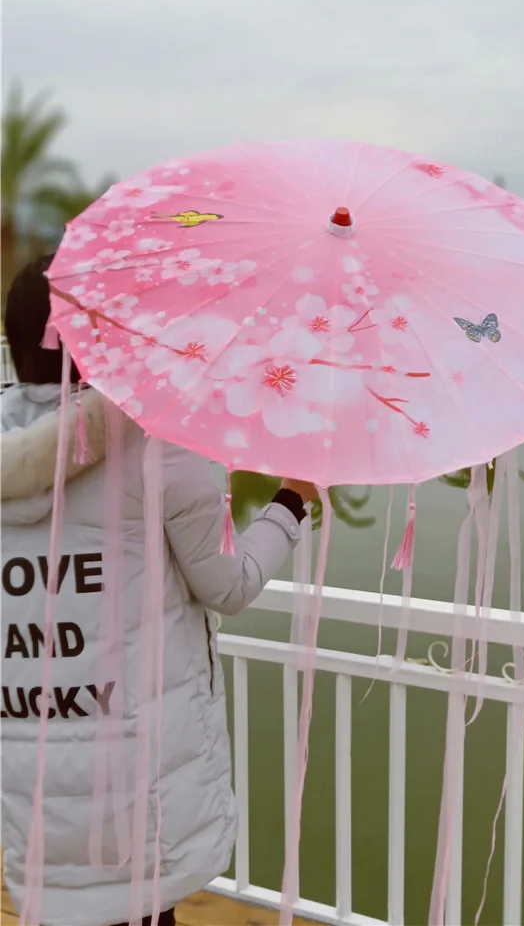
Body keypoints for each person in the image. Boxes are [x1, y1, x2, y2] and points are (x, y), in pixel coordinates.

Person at [1, 256, 317, 926]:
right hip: (135, 796)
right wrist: (290, 504)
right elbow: (227, 586)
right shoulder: (159, 445)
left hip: (29, 792)